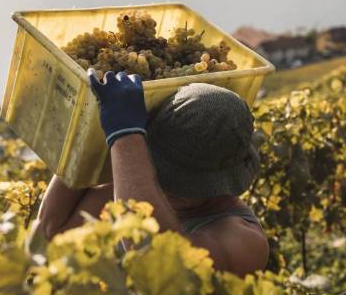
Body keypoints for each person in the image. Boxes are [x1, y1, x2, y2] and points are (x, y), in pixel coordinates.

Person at [36, 73, 269, 276]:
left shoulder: (241, 241)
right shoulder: (136, 192)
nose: (154, 174)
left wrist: (125, 137)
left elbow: (156, 260)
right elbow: (52, 231)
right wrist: (91, 131)